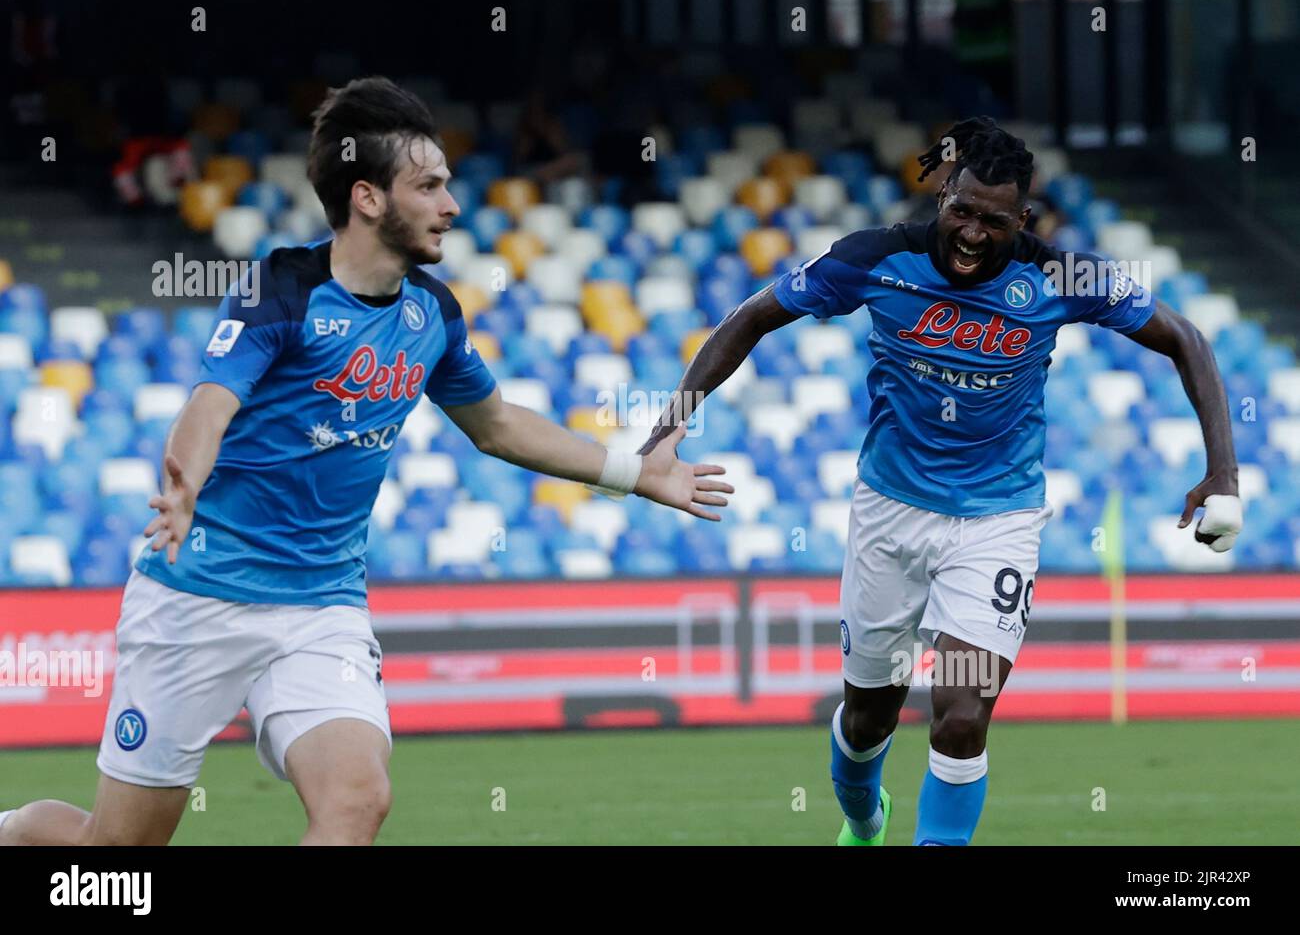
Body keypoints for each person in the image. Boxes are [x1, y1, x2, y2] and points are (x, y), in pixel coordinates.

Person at [0, 76, 732, 846]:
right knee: (116, 856)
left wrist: (634, 470)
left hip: (322, 609)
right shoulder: (281, 290)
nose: (452, 204)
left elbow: (497, 426)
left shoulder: (432, 314)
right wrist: (181, 488)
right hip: (197, 599)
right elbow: (209, 405)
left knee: (357, 799)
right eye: (430, 185)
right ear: (368, 198)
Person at [636, 116, 1241, 845]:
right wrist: (668, 430)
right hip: (890, 515)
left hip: (997, 520)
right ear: (941, 194)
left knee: (961, 714)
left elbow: (1186, 338)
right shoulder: (874, 260)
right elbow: (752, 318)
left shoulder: (1062, 275)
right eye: (962, 211)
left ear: (1024, 219)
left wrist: (1222, 472)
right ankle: (864, 822)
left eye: (995, 221)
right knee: (869, 720)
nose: (973, 234)